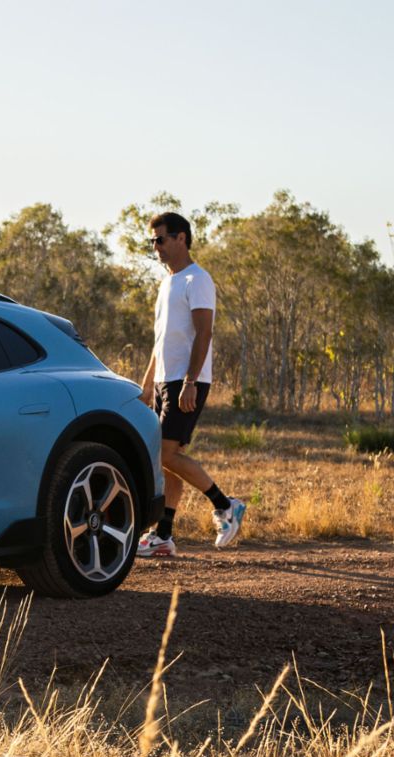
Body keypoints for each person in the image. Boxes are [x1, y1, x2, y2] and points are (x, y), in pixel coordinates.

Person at [136, 212, 245, 557]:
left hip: (187, 381)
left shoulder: (197, 280)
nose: (156, 247)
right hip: (166, 381)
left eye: (161, 239)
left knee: (165, 454)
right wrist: (148, 381)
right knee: (170, 457)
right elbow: (162, 339)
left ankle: (226, 505)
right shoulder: (167, 282)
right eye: (152, 240)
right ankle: (163, 536)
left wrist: (190, 381)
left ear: (181, 238)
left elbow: (204, 333)